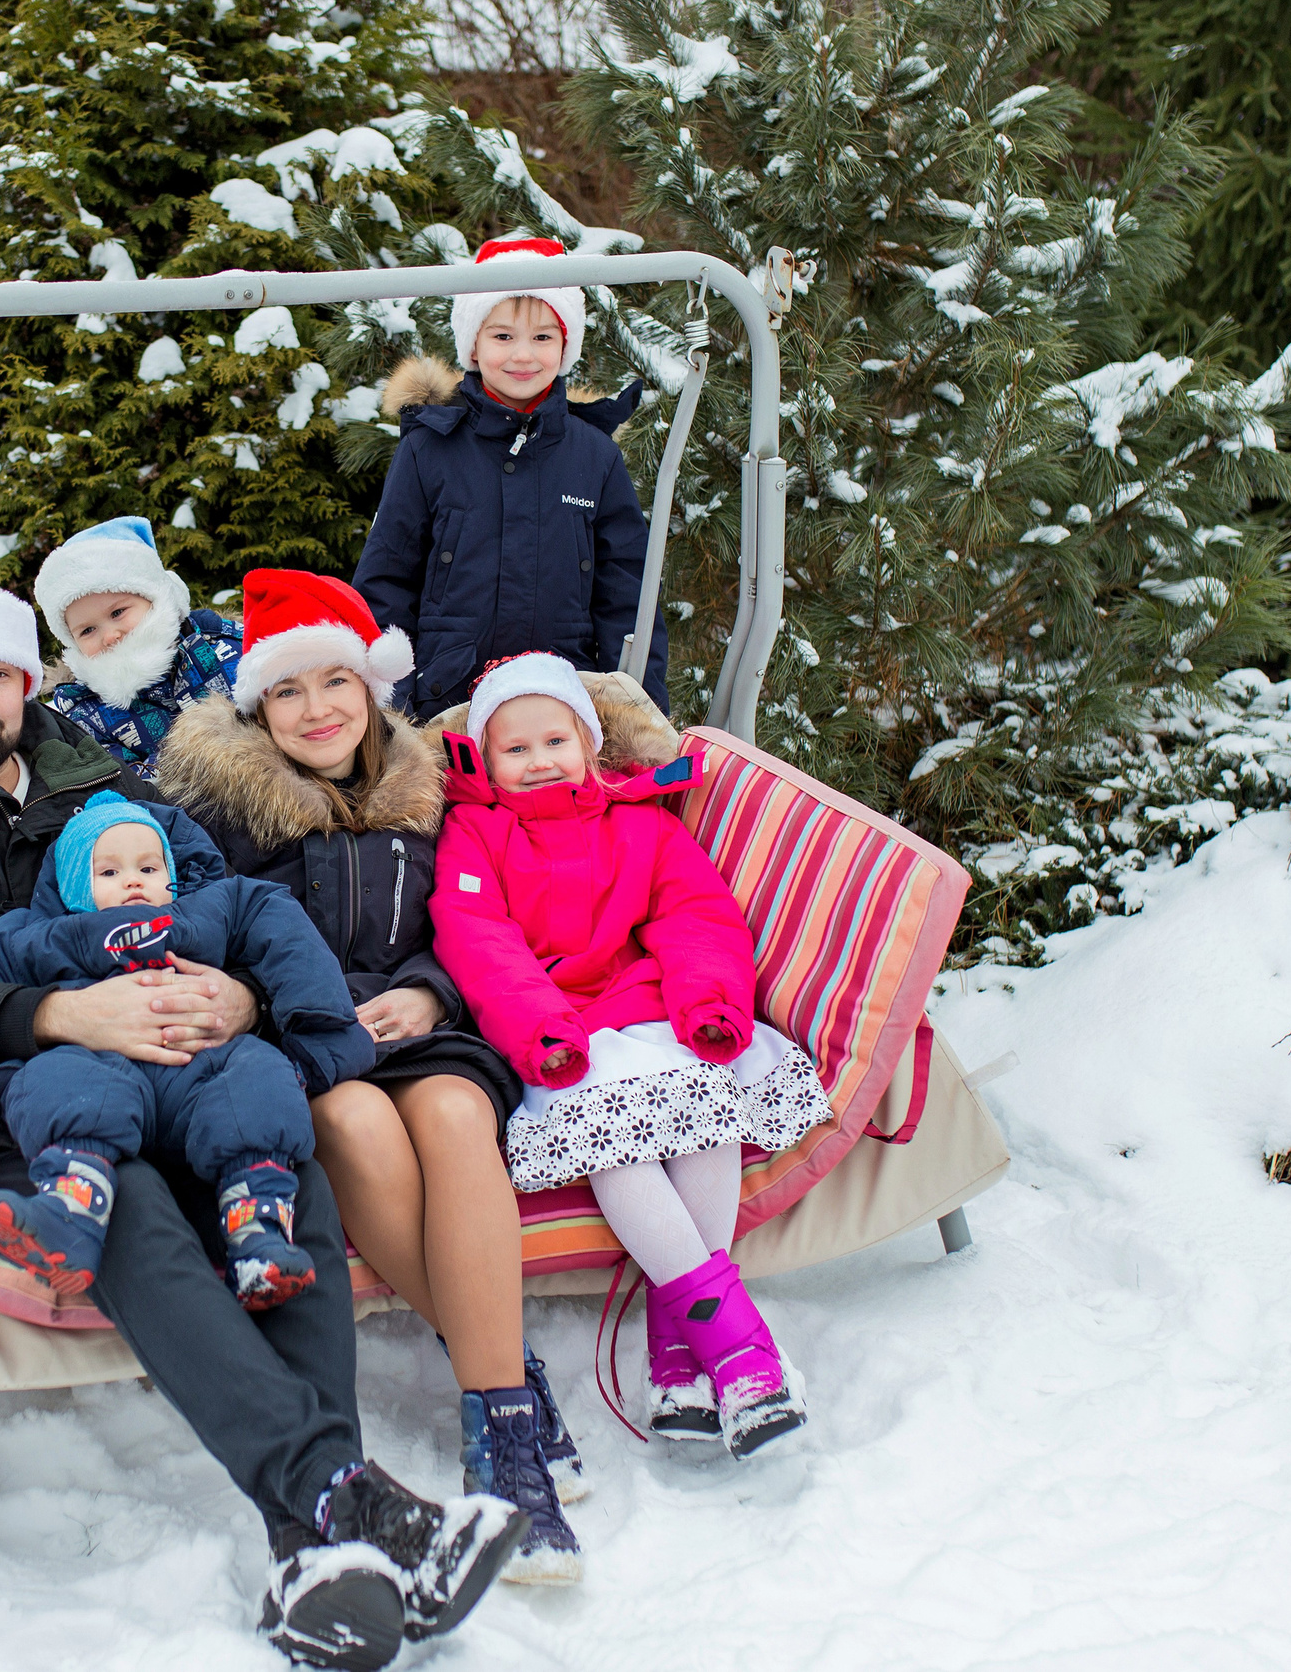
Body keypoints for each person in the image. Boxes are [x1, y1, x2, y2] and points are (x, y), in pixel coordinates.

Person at [0, 561, 524, 1669]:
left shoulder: (95, 789)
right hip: (15, 1106)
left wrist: (244, 996)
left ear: (28, 680)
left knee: (287, 1172)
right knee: (128, 1208)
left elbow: (232, 907)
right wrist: (53, 1016)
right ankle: (342, 1503)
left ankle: (315, 1555)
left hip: (184, 1066)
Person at [154, 569, 585, 1586]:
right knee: (358, 1126)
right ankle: (506, 1368)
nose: (316, 709)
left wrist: (432, 995)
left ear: (370, 686)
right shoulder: (218, 808)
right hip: (306, 1037)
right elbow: (209, 941)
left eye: (334, 683)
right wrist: (281, 1002)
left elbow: (479, 913)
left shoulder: (435, 788)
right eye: (288, 691)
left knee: (447, 1116)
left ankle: (503, 1431)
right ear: (258, 706)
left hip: (425, 1021)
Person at [428, 652, 834, 1459]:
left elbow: (695, 914)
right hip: (558, 1032)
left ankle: (679, 1356)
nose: (540, 761)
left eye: (555, 740)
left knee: (705, 1110)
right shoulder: (474, 833)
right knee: (621, 1145)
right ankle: (742, 1352)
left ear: (589, 742)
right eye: (516, 749)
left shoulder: (642, 820)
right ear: (485, 758)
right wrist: (541, 1028)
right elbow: (480, 943)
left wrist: (710, 1002)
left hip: (653, 1010)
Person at [0, 790, 378, 1309]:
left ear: (170, 872)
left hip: (198, 1068)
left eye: (148, 867)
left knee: (256, 1074)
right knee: (57, 1075)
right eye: (108, 872)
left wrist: (320, 1035)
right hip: (96, 1071)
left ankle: (257, 1235)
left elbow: (285, 933)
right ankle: (68, 1217)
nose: (132, 881)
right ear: (76, 885)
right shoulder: (34, 936)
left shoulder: (212, 907)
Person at [350, 237, 656, 720]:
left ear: (565, 344)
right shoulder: (429, 448)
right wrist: (394, 707)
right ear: (474, 343)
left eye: (542, 337)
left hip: (563, 705)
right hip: (447, 702)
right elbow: (386, 583)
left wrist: (639, 710)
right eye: (503, 336)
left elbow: (628, 594)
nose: (523, 355)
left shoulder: (594, 455)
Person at [35, 514, 243, 765]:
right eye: (87, 630)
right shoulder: (86, 713)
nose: (110, 636)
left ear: (155, 599)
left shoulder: (225, 648)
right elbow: (125, 781)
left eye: (117, 613)